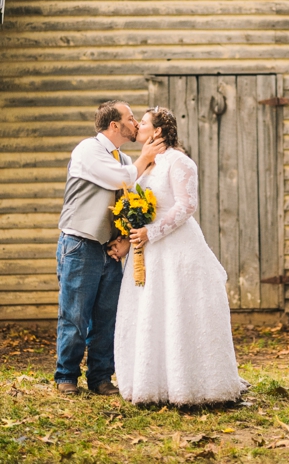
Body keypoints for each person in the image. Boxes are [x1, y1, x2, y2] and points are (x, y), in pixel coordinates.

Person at [114, 107, 245, 405]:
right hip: (148, 252)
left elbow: (186, 207)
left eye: (143, 123)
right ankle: (153, 384)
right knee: (152, 312)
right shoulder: (146, 165)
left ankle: (191, 384)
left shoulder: (180, 162)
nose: (138, 127)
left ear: (158, 131)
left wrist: (152, 232)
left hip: (176, 249)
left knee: (178, 311)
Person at [55, 100, 165, 395]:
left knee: (106, 317)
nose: (136, 124)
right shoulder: (88, 150)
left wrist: (125, 238)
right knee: (75, 316)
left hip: (109, 249)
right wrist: (144, 158)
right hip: (80, 244)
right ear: (114, 125)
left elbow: (129, 199)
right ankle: (66, 376)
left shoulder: (125, 158)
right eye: (131, 119)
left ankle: (100, 378)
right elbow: (120, 179)